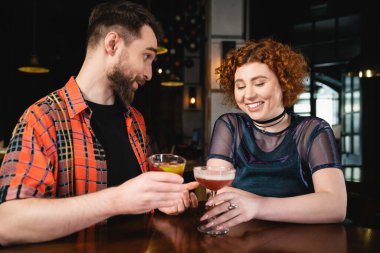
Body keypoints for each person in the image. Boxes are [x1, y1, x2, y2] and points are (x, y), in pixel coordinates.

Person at [0, 0, 198, 246]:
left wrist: (163, 201)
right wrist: (115, 200)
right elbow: (7, 224)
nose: (148, 73)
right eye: (146, 56)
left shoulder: (135, 121)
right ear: (112, 43)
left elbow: (140, 201)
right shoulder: (42, 119)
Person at [201, 38, 346, 231]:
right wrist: (301, 205)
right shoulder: (230, 125)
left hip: (300, 240)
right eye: (241, 86)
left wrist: (256, 207)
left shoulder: (313, 129)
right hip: (241, 239)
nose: (248, 95)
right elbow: (216, 194)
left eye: (259, 83)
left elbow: (335, 206)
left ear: (284, 83)